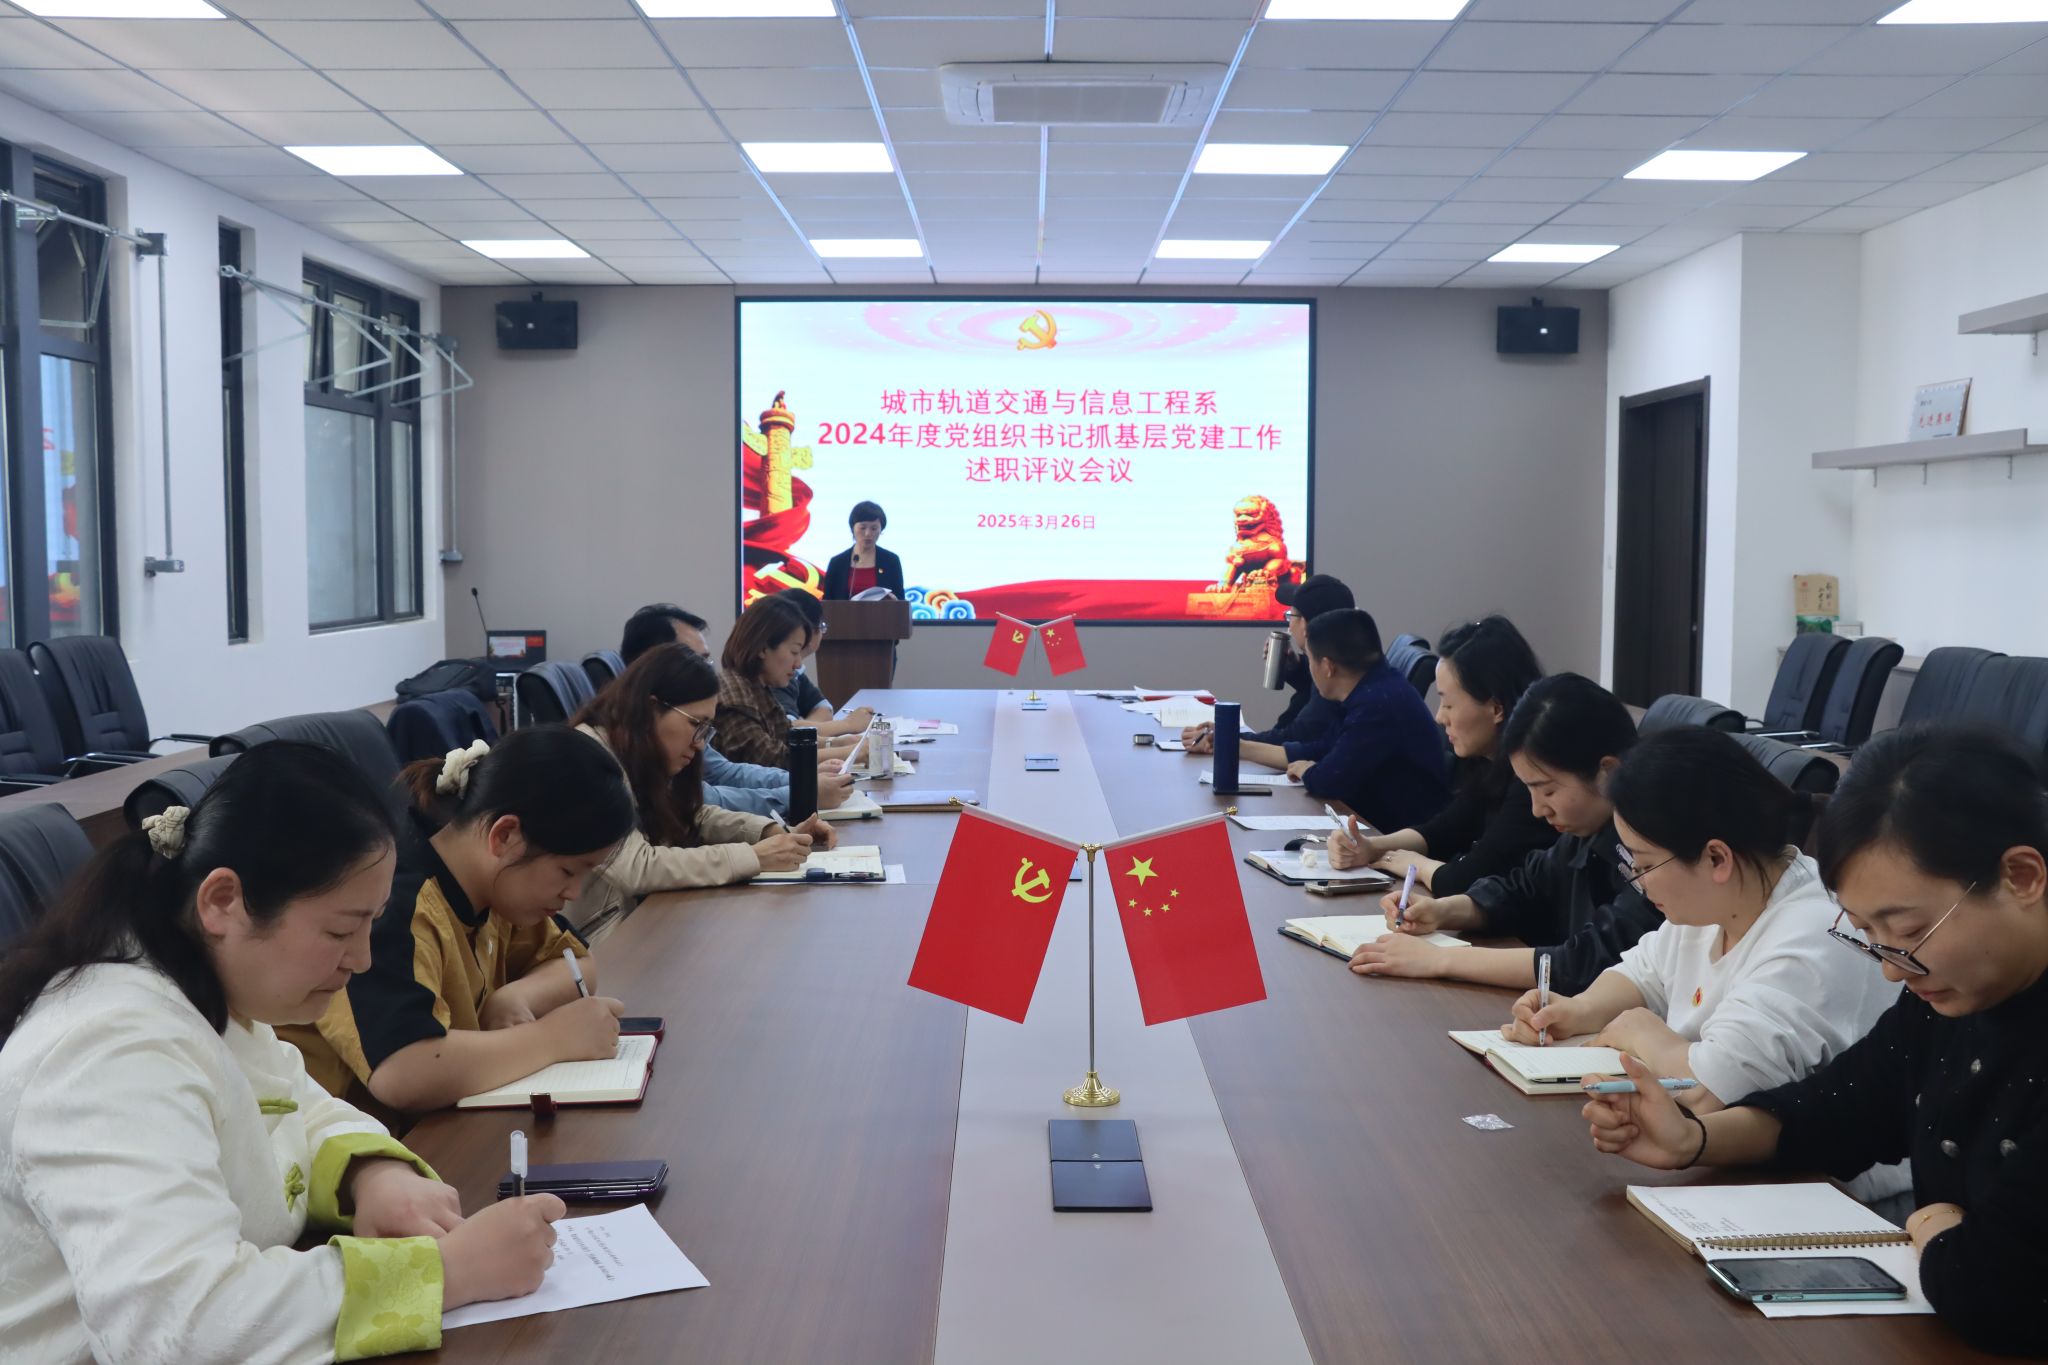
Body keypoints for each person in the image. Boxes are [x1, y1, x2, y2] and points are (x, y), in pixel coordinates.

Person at [0, 742, 563, 1362]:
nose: (362, 959)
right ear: (222, 901)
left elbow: (297, 1104)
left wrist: (373, 1176)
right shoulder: (108, 1053)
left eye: (371, 925)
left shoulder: (204, 987)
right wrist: (445, 1272)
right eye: (339, 930)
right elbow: (181, 1326)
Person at [1583, 726, 2048, 1356]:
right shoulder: (1951, 996)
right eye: (1868, 935)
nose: (1893, 971)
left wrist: (1938, 1233)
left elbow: (1998, 1290)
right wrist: (1693, 1140)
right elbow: (1837, 1108)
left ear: (2021, 876)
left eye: (1908, 930)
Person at [1506, 729, 1902, 1134]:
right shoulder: (1723, 898)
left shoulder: (1816, 933)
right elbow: (1644, 971)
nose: (1639, 882)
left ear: (1716, 857)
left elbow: (1716, 1093)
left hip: (1816, 1167)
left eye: (1645, 866)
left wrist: (1641, 1033)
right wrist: (1580, 1010)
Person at [301, 727, 638, 1113]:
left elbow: (576, 963)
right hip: (348, 1136)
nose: (574, 893)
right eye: (567, 871)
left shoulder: (496, 890)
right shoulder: (392, 902)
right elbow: (405, 1071)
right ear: (505, 836)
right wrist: (552, 1039)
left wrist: (514, 997)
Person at [1350, 672, 1661, 993]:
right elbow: (1524, 888)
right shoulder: (1588, 827)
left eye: (1548, 790)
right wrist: (1442, 911)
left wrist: (1440, 960)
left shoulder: (1657, 848)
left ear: (1607, 772)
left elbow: (1590, 961)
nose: (1537, 809)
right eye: (1529, 790)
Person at [569, 643, 839, 940]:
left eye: (706, 729)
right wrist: (753, 856)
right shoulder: (587, 758)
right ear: (651, 708)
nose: (700, 743)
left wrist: (770, 832)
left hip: (645, 916)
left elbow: (689, 811)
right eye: (695, 724)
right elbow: (636, 867)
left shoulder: (637, 748)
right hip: (603, 938)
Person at [1328, 614, 1553, 894]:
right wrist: (1370, 846)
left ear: (1496, 708)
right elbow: (1444, 830)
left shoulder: (1533, 782)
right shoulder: (1488, 763)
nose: (1439, 717)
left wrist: (1415, 865)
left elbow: (1468, 878)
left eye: (1448, 704)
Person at [619, 602, 854, 816]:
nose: (707, 671)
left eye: (706, 661)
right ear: (652, 663)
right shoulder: (730, 696)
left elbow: (723, 772)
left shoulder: (754, 690)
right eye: (694, 660)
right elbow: (707, 799)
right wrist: (802, 792)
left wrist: (802, 782)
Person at [1255, 607, 1449, 833]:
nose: (1309, 668)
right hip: (1379, 823)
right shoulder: (1374, 686)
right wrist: (1239, 746)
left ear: (1328, 667)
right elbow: (1325, 748)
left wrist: (1309, 771)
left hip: (1396, 834)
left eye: (1309, 659)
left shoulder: (1376, 705)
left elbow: (1329, 780)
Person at [1182, 573, 1353, 756]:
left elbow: (1294, 738)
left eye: (1291, 616)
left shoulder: (1334, 686)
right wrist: (1296, 668)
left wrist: (1223, 739)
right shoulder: (1347, 666)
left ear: (1304, 625)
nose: (1289, 626)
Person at [716, 595, 859, 769]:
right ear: (763, 648)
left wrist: (838, 743)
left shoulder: (758, 687)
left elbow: (788, 736)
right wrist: (852, 752)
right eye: (794, 652)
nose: (798, 664)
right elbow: (772, 760)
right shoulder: (735, 694)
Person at [773, 587, 876, 738]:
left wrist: (808, 732)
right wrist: (848, 725)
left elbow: (824, 709)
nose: (798, 664)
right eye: (821, 626)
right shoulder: (774, 674)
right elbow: (786, 730)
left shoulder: (794, 670)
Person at [823, 500, 904, 601]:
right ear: (853, 528)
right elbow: (827, 601)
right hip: (844, 612)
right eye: (862, 528)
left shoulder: (891, 561)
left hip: (881, 612)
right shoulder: (837, 562)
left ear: (881, 529)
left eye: (874, 528)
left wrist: (895, 600)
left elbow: (901, 600)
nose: (868, 533)